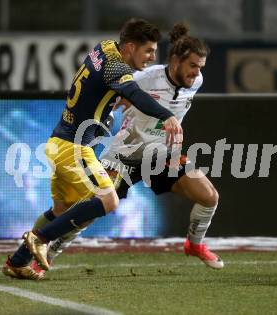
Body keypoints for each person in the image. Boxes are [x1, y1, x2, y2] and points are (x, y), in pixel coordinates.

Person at [23, 22, 223, 279]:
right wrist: (111, 110)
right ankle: (46, 256)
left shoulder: (197, 82)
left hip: (160, 156)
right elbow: (115, 95)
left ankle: (194, 245)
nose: (196, 73)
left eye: (200, 67)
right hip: (124, 154)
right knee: (92, 208)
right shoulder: (145, 78)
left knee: (209, 197)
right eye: (192, 66)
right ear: (175, 61)